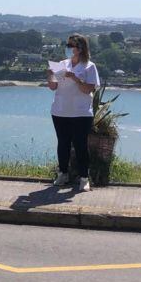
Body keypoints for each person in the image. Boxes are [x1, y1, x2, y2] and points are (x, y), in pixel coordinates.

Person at [46, 34, 100, 192]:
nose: (69, 48)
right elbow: (53, 87)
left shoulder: (89, 66)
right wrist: (50, 75)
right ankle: (63, 174)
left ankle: (84, 178)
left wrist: (76, 78)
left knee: (80, 145)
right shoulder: (62, 64)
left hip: (81, 113)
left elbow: (88, 89)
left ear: (81, 48)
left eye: (72, 45)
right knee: (62, 144)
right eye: (68, 44)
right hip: (60, 111)